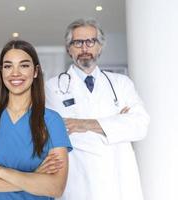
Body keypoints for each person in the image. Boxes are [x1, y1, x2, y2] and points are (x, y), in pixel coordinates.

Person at [45, 19, 150, 200]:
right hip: (78, 182)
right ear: (68, 48)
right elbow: (57, 132)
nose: (84, 48)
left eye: (90, 41)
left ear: (100, 47)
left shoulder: (121, 83)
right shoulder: (52, 87)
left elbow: (140, 126)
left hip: (119, 183)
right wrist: (117, 123)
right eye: (77, 43)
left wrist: (84, 124)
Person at [0, 40, 72, 200]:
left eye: (24, 65)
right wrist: (34, 177)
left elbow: (55, 187)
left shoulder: (52, 120)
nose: (15, 73)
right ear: (1, 72)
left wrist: (1, 172)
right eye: (8, 66)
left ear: (35, 72)